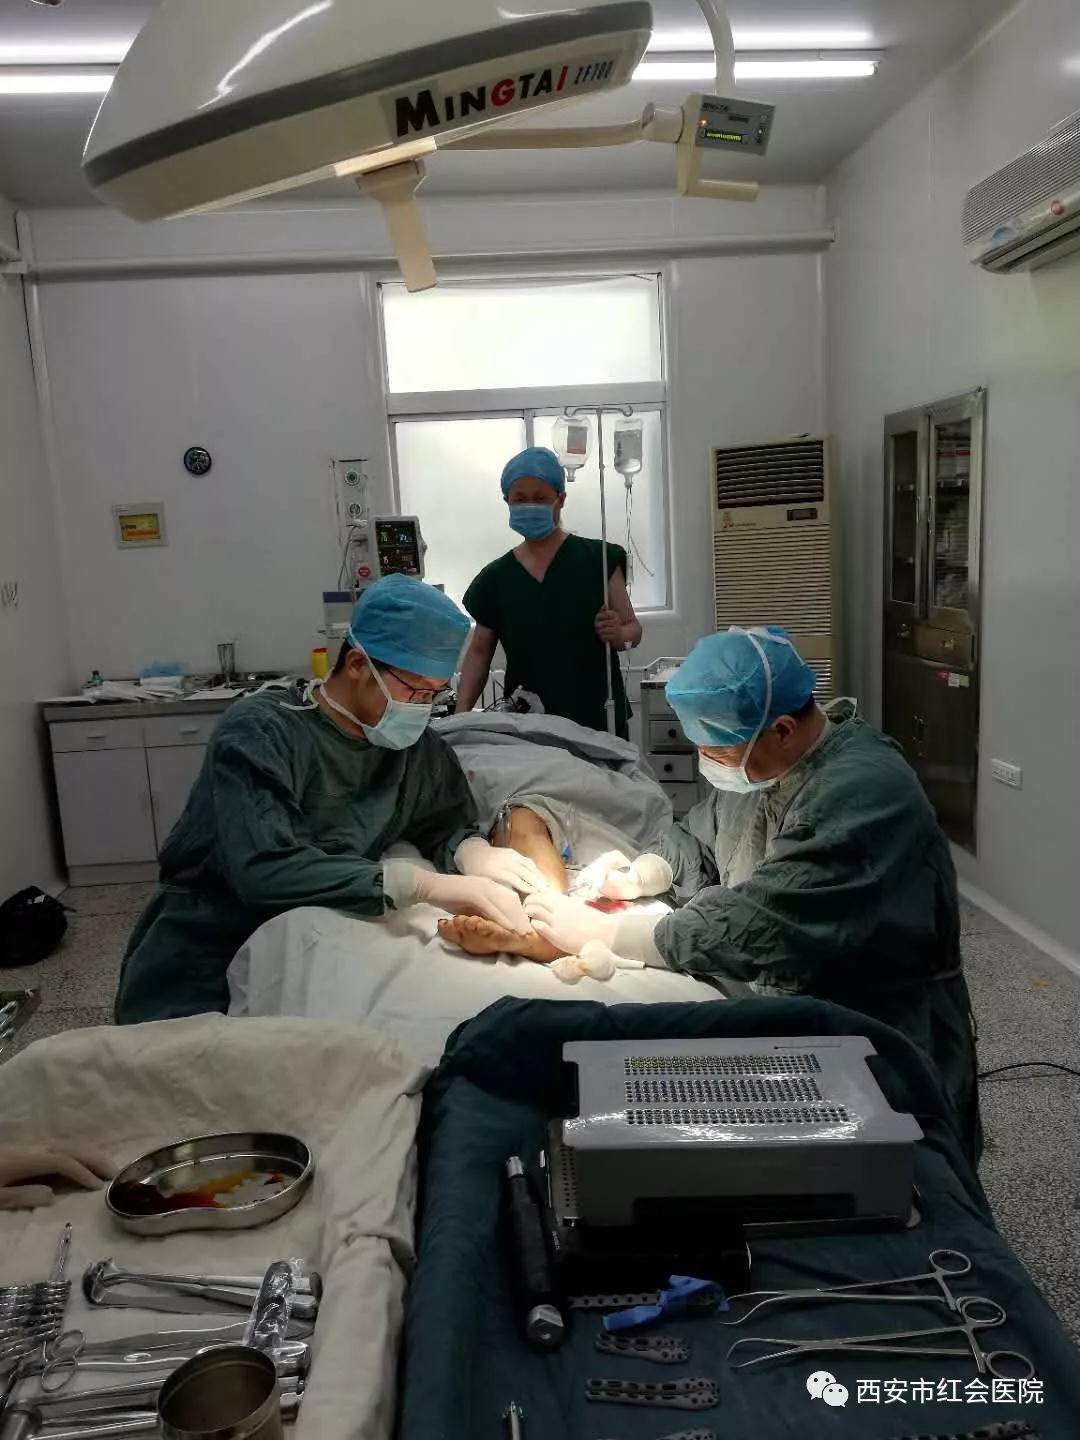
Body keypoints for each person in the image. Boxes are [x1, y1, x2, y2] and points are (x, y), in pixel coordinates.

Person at [525, 625, 983, 1160]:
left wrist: (612, 933)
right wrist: (648, 870)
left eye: (715, 750)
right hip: (794, 1007)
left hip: (877, 1026)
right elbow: (702, 835)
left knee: (895, 1172)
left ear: (782, 730)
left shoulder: (864, 793)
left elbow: (764, 921)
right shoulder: (764, 767)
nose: (707, 761)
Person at [116, 576, 547, 1024]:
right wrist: (420, 886)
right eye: (415, 690)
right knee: (189, 1059)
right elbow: (263, 869)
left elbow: (441, 820)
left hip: (308, 938)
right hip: (208, 936)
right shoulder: (261, 732)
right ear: (358, 664)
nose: (423, 707)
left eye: (435, 694)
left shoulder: (414, 747)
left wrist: (470, 851)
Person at [455, 446, 642, 737]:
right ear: (507, 501)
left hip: (597, 717)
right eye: (520, 499)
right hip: (529, 721)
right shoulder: (495, 578)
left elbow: (633, 629)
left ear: (561, 500)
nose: (530, 505)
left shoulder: (599, 559)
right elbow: (479, 653)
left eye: (540, 498)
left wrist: (619, 635)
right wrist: (460, 718)